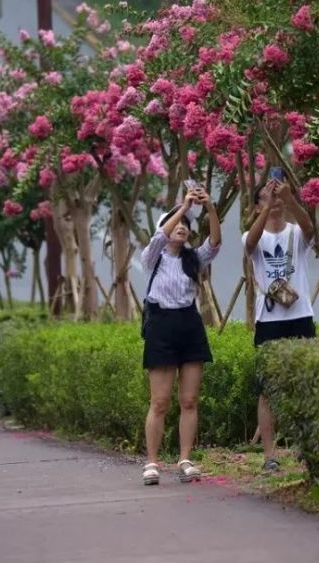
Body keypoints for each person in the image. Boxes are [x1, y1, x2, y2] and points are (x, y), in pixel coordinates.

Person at [139, 185, 221, 486]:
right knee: (159, 401)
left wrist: (209, 207)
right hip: (161, 325)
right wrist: (184, 207)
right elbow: (160, 236)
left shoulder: (193, 259)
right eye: (177, 224)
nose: (182, 228)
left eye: (186, 225)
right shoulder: (153, 257)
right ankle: (152, 461)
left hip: (189, 324)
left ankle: (185, 458)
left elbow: (215, 243)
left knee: (189, 400)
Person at [242, 176, 317, 472]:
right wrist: (267, 208)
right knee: (267, 389)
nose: (274, 202)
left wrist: (291, 200)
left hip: (300, 317)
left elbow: (310, 230)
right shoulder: (254, 236)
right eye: (266, 197)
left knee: (304, 383)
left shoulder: (296, 233)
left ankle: (305, 447)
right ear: (256, 205)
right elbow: (250, 243)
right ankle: (269, 455)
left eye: (277, 197)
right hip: (269, 320)